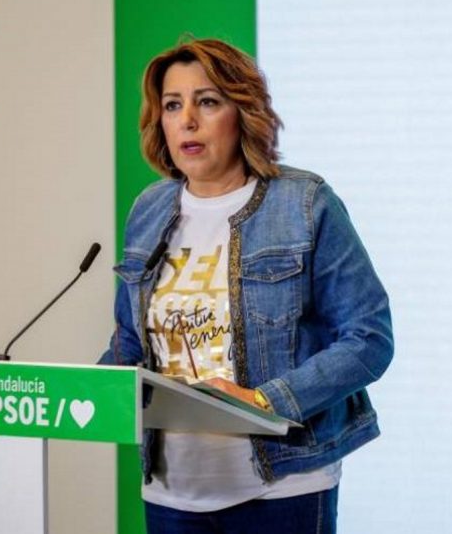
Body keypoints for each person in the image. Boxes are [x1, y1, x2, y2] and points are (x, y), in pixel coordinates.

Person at [100, 38, 393, 534]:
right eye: (172, 105)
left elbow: (370, 339)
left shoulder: (305, 203)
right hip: (171, 494)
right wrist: (90, 390)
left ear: (243, 111)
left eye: (207, 102)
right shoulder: (148, 210)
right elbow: (130, 341)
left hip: (283, 489)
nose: (187, 120)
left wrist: (263, 402)